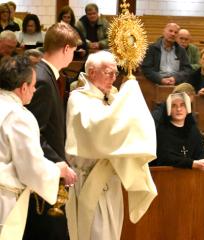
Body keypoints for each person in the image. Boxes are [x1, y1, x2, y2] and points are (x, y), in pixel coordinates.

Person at [65, 50, 157, 240]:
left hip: (111, 183)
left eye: (116, 74)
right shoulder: (79, 98)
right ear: (92, 72)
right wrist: (129, 94)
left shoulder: (112, 98)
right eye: (109, 73)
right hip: (90, 179)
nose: (114, 79)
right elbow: (100, 132)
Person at [0, 55, 76, 240]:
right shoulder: (19, 116)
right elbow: (30, 168)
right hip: (5, 197)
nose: (34, 90)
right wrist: (58, 169)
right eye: (32, 85)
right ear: (23, 87)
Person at [23, 22, 81, 240]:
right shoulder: (44, 80)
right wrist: (60, 165)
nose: (73, 55)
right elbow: (34, 132)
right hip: (45, 176)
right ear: (66, 48)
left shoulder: (43, 74)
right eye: (73, 51)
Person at [154, 92, 204, 170]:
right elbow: (166, 158)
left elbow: (201, 151)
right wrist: (192, 163)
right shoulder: (162, 131)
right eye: (174, 106)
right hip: (169, 176)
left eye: (182, 105)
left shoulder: (192, 129)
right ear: (168, 110)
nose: (179, 109)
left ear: (187, 109)